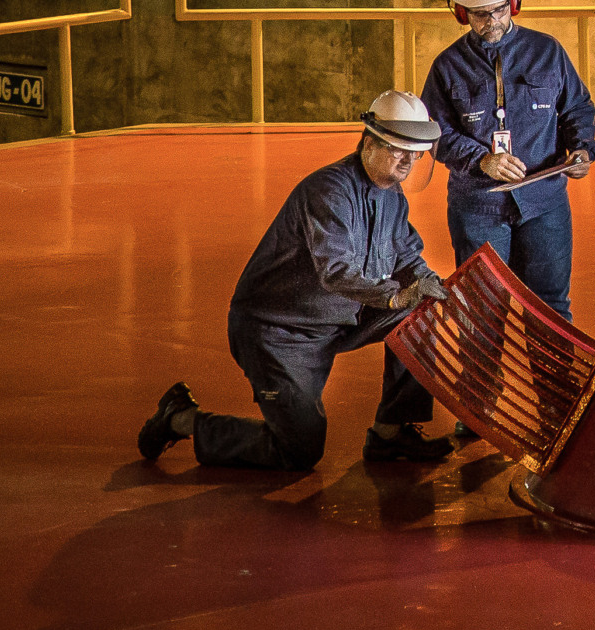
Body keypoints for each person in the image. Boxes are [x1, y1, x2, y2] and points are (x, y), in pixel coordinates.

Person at [136, 91, 455, 470]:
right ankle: (180, 418)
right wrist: (396, 298)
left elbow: (404, 254)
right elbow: (336, 271)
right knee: (299, 449)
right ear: (369, 142)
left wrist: (429, 282)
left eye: (416, 153)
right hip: (280, 330)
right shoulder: (329, 192)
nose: (409, 161)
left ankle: (390, 433)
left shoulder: (392, 195)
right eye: (400, 150)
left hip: (338, 317)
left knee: (422, 313)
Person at [419, 0, 595, 321]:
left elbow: (576, 107)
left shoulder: (547, 52)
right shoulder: (447, 67)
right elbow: (434, 133)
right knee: (482, 312)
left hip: (544, 203)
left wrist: (581, 147)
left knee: (550, 307)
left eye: (500, 9)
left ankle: (551, 381)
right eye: (480, 14)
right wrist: (481, 159)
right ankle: (480, 380)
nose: (492, 21)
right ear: (461, 13)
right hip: (477, 207)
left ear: (514, 2)